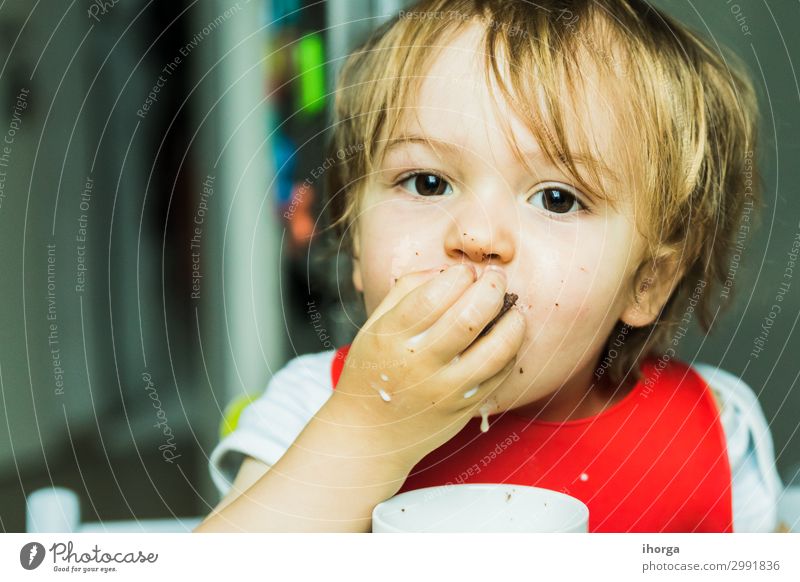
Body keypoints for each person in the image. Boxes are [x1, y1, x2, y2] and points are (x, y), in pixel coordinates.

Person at [195, 0, 782, 532]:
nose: (477, 237)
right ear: (353, 240)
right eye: (427, 182)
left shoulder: (714, 431)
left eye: (557, 198)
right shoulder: (311, 411)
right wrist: (365, 432)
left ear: (646, 280)